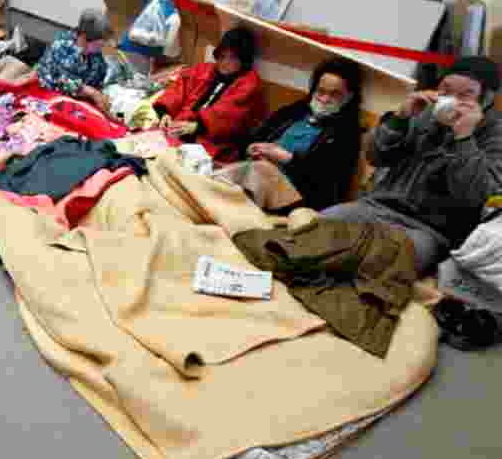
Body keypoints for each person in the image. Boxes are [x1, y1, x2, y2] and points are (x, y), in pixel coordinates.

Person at [320, 56, 502, 275]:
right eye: (446, 89)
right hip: (377, 207)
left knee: (387, 262)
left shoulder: (495, 135)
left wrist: (464, 137)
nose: (452, 98)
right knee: (318, 227)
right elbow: (375, 157)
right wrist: (400, 117)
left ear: (487, 99)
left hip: (430, 231)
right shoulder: (425, 112)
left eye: (465, 95)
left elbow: (474, 195)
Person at [236, 56, 364, 211]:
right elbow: (255, 136)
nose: (324, 99)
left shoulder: (347, 133)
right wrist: (252, 147)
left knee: (251, 176)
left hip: (295, 198)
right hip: (256, 173)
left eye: (334, 94)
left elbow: (325, 182)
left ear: (349, 97)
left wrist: (286, 158)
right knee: (220, 178)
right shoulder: (296, 110)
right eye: (320, 91)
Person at [151, 26, 264, 164]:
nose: (225, 63)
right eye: (222, 56)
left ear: (244, 60)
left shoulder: (249, 83)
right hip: (179, 128)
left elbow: (228, 114)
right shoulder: (205, 69)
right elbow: (178, 89)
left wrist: (196, 127)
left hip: (213, 141)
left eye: (233, 58)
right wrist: (165, 113)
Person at [35, 8, 112, 113]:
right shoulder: (62, 46)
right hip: (51, 93)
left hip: (79, 95)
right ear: (84, 37)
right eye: (99, 44)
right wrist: (91, 92)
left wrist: (103, 89)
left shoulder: (93, 52)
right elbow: (62, 81)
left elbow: (100, 71)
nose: (100, 48)